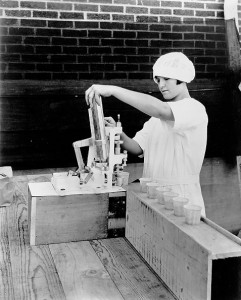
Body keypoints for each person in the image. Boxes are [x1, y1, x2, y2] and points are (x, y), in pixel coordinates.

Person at [85, 52, 208, 216]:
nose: (161, 85)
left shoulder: (194, 109)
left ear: (181, 78)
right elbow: (137, 147)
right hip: (153, 196)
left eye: (166, 79)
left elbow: (161, 110)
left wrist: (113, 90)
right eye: (158, 80)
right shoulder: (156, 120)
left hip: (182, 199)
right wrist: (117, 132)